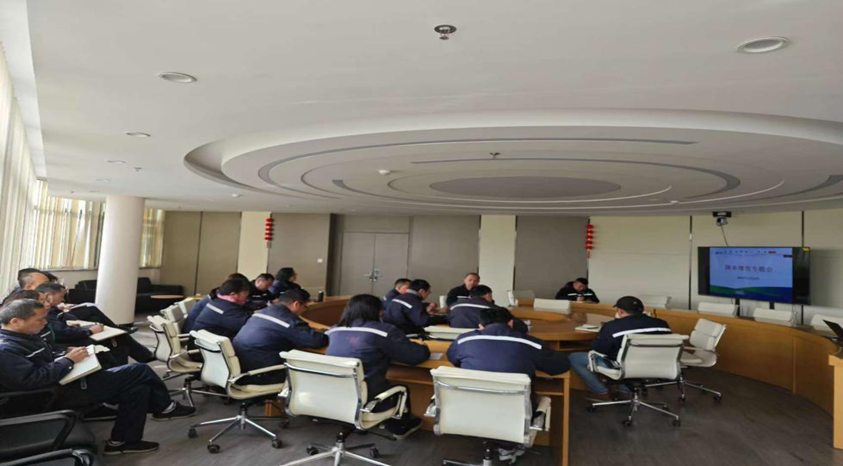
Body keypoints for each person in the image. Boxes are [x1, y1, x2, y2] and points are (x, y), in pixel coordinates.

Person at [0, 299, 195, 455]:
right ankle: (164, 407)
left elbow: (45, 357)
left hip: (65, 382)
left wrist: (65, 353)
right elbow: (32, 380)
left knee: (138, 389)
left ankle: (122, 442)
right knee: (139, 370)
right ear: (15, 321)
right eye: (39, 319)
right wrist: (67, 361)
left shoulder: (25, 336)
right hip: (53, 395)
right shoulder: (6, 349)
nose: (45, 323)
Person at [447, 306, 570, 463]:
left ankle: (501, 443)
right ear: (511, 323)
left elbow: (453, 359)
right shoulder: (530, 343)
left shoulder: (463, 340)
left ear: (480, 326)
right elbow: (560, 366)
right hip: (515, 411)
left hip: (469, 407)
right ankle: (507, 447)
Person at [326, 294, 429, 440]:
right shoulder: (383, 331)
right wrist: (424, 347)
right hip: (368, 399)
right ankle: (399, 428)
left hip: (331, 393)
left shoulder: (333, 330)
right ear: (377, 311)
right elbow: (415, 357)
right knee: (402, 389)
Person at [569, 296, 671, 401]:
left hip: (623, 366)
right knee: (627, 357)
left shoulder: (613, 326)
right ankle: (625, 391)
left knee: (575, 358)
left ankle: (600, 392)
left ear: (620, 311)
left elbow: (600, 349)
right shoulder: (662, 324)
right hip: (655, 365)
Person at [36, 283, 153, 364]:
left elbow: (67, 318)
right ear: (48, 296)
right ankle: (128, 366)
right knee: (116, 340)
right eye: (61, 296)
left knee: (117, 336)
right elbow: (61, 333)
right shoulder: (43, 312)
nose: (63, 300)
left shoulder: (51, 309)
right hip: (64, 342)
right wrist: (90, 331)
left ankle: (129, 366)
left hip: (65, 337)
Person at [233, 290, 328, 384]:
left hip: (245, 366)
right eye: (305, 307)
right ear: (296, 304)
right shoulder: (287, 319)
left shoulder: (263, 311)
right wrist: (324, 333)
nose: (304, 311)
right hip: (262, 373)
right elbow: (316, 341)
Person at [184, 273, 250, 332]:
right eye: (245, 294)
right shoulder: (225, 308)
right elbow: (245, 325)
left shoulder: (217, 299)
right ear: (233, 294)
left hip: (200, 334)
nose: (246, 297)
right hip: (195, 334)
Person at [449, 285, 528, 332]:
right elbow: (521, 327)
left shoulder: (454, 305)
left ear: (470, 296)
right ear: (488, 296)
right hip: (481, 342)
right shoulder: (495, 310)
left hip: (455, 340)